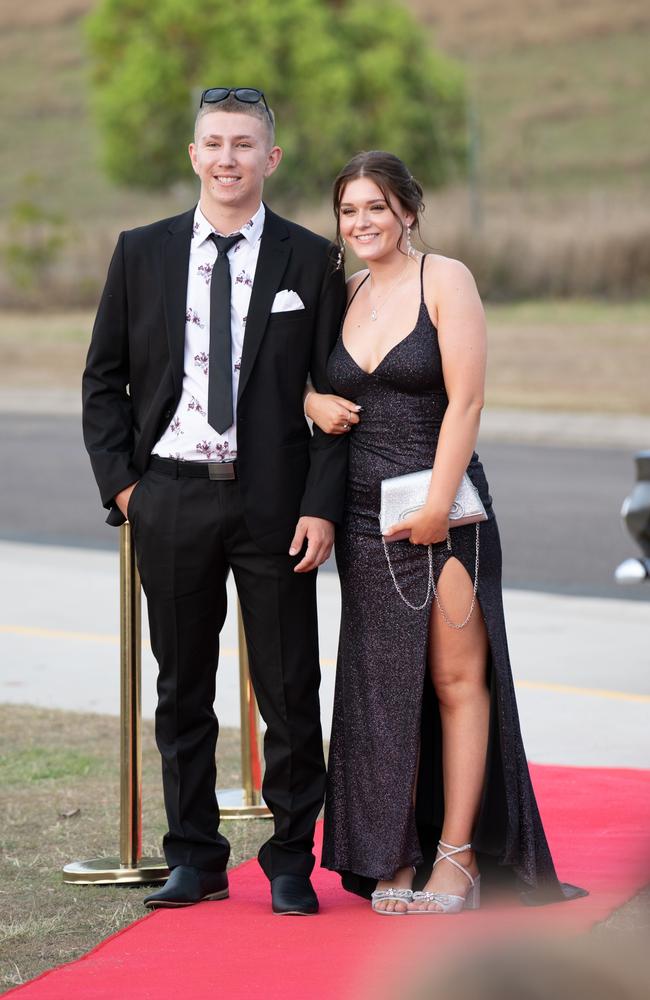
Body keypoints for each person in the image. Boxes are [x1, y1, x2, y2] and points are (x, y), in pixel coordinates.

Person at [82, 88, 347, 915]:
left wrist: (322, 503)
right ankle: (193, 857)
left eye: (244, 145)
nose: (228, 158)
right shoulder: (141, 252)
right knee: (181, 690)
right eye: (213, 143)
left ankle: (291, 862)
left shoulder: (311, 261)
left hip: (276, 506)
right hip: (171, 498)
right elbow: (103, 382)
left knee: (290, 693)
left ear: (272, 159)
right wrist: (127, 488)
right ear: (193, 155)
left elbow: (334, 394)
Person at [306, 151, 585, 914]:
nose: (362, 222)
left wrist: (434, 505)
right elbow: (314, 382)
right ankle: (391, 854)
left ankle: (457, 858)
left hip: (446, 514)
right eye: (349, 211)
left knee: (456, 680)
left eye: (376, 208)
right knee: (379, 685)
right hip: (364, 524)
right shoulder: (349, 291)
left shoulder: (445, 279)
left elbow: (466, 402)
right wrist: (308, 399)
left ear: (408, 212)